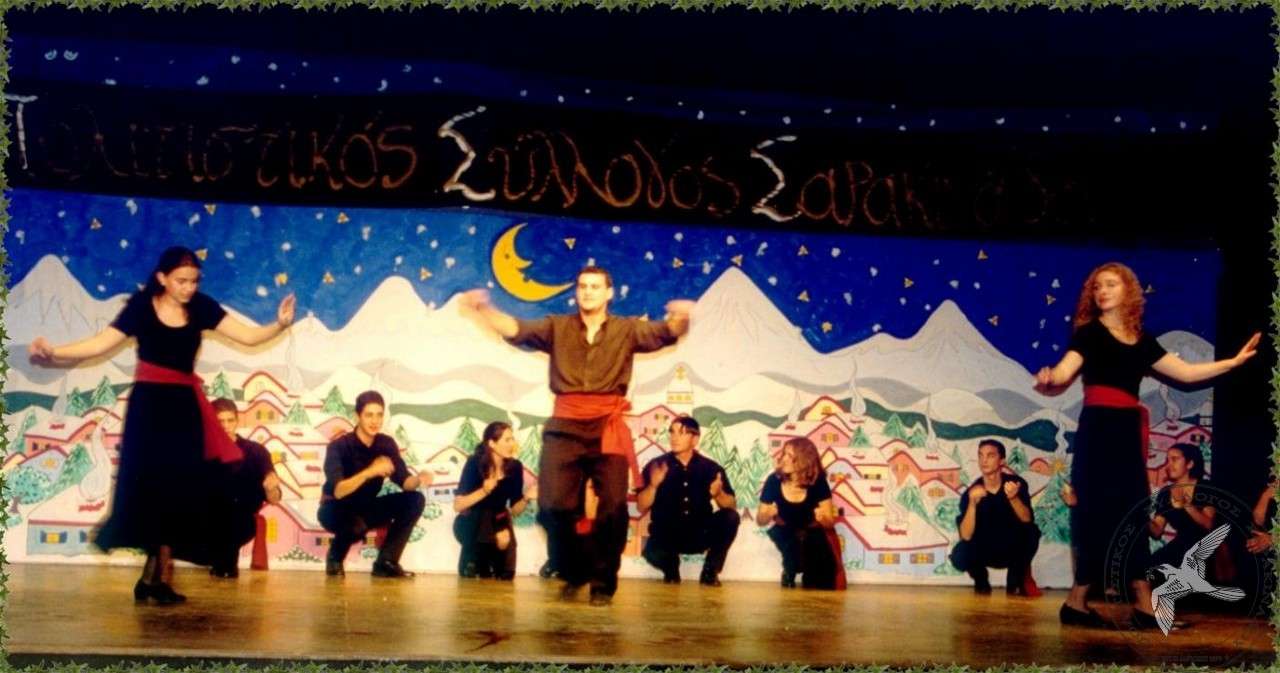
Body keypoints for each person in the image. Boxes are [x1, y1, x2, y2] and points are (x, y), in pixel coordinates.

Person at [28, 246, 296, 605]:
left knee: (178, 491)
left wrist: (279, 324)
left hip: (184, 410)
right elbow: (100, 343)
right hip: (149, 410)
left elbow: (247, 336)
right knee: (151, 489)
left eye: (194, 281)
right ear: (162, 278)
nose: (189, 287)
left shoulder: (201, 307)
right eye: (181, 281)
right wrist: (55, 352)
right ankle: (152, 580)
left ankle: (152, 579)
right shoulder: (141, 307)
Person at [1035, 261, 1259, 629]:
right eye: (1097, 286)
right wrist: (1050, 376)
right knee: (1095, 512)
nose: (1102, 291)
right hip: (1099, 429)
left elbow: (1187, 373)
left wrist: (1232, 363)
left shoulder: (1142, 340)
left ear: (1128, 291)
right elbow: (1063, 371)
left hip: (1126, 431)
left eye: (1111, 284)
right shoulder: (1089, 334)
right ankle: (1078, 601)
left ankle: (1140, 601)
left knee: (1134, 510)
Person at [461, 266, 692, 606]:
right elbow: (517, 329)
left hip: (607, 427)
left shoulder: (626, 330)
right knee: (552, 507)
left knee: (612, 508)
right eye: (583, 286)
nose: (587, 292)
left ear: (609, 293)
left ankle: (603, 583)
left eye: (595, 286)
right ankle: (575, 569)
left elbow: (667, 332)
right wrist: (484, 309)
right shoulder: (558, 327)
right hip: (565, 426)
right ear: (576, 292)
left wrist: (681, 318)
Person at [318, 390, 426, 579]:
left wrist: (419, 479)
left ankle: (386, 562)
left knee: (415, 500)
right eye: (369, 415)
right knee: (356, 525)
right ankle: (335, 557)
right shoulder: (339, 446)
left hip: (365, 507)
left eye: (379, 415)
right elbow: (339, 491)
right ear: (357, 416)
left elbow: (404, 481)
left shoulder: (386, 444)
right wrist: (371, 471)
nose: (375, 421)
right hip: (334, 507)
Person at [635, 416, 740, 587]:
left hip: (699, 533)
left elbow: (732, 506)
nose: (674, 437)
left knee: (730, 517)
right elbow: (641, 506)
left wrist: (719, 494)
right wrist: (653, 486)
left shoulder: (711, 468)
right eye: (672, 432)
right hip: (667, 535)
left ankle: (710, 572)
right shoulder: (656, 465)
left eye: (682, 433)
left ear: (695, 439)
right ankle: (671, 570)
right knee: (651, 550)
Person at [950, 439, 1041, 595]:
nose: (984, 460)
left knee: (1031, 532)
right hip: (985, 549)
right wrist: (972, 503)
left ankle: (1015, 580)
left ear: (1002, 461)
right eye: (981, 455)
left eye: (990, 455)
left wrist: (1013, 498)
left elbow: (1027, 519)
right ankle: (981, 579)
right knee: (960, 554)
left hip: (1011, 548)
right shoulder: (971, 492)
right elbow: (965, 535)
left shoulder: (1016, 484)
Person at [209, 398, 282, 578]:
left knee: (234, 520)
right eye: (220, 421)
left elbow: (274, 498)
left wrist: (271, 487)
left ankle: (225, 564)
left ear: (237, 420)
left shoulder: (255, 451)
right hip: (207, 516)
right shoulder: (203, 451)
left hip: (241, 519)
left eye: (230, 420)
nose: (226, 426)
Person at [453, 421, 534, 580]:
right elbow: (458, 505)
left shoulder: (515, 467)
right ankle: (475, 560)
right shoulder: (474, 463)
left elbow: (515, 510)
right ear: (492, 443)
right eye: (507, 440)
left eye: (512, 439)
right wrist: (484, 491)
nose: (512, 444)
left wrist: (526, 498)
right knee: (484, 515)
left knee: (506, 573)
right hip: (471, 522)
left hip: (499, 522)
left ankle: (489, 560)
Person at [756, 437, 840, 589]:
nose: (783, 459)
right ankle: (790, 569)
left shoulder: (818, 481)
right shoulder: (774, 480)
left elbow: (829, 523)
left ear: (804, 460)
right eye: (784, 454)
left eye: (790, 456)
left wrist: (823, 518)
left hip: (811, 532)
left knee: (823, 576)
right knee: (793, 549)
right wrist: (767, 514)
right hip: (785, 531)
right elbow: (760, 520)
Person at [1148, 443, 1218, 570]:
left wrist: (1186, 505)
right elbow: (1157, 531)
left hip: (1207, 548)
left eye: (1174, 459)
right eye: (1167, 460)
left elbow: (1209, 524)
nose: (1169, 465)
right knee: (1148, 568)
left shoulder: (1206, 487)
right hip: (1181, 546)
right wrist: (1143, 519)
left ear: (1190, 464)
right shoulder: (1165, 493)